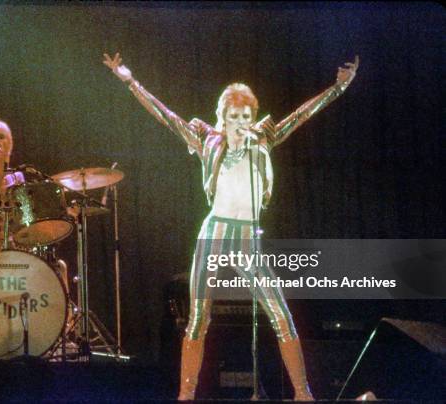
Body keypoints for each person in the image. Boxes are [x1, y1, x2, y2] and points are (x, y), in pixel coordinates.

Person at [104, 52, 358, 400]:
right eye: (233, 115)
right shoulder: (208, 141)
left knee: (281, 316)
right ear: (221, 118)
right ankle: (186, 395)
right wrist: (130, 82)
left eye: (245, 115)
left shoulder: (262, 141)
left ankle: (303, 394)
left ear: (252, 117)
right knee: (198, 319)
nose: (240, 120)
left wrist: (338, 88)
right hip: (215, 234)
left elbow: (300, 116)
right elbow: (166, 116)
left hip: (247, 237)